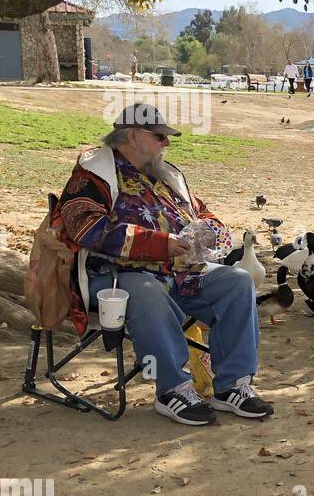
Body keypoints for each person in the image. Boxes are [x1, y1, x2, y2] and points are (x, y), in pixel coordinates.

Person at [55, 103, 274, 427]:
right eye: (159, 137)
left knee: (237, 281)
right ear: (132, 136)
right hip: (115, 278)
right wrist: (160, 244)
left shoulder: (165, 174)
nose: (167, 144)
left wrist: (209, 232)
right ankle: (172, 389)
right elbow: (87, 229)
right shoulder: (92, 176)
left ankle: (232, 386)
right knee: (147, 292)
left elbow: (202, 212)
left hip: (179, 273)